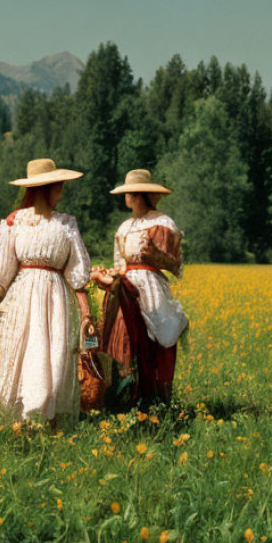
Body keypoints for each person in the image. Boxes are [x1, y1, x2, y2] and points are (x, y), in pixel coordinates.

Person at [0, 158, 93, 425]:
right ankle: (19, 420)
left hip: (54, 302)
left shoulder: (66, 224)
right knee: (18, 355)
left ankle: (44, 417)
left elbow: (77, 274)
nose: (62, 193)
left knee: (51, 356)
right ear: (45, 187)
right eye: (58, 187)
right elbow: (2, 273)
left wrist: (86, 315)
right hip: (21, 299)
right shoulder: (14, 222)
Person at [91, 169, 187, 408]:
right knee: (124, 335)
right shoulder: (124, 227)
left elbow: (174, 264)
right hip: (126, 286)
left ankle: (155, 398)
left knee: (155, 335)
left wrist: (156, 256)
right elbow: (120, 264)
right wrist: (107, 276)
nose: (126, 198)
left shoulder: (161, 222)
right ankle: (126, 396)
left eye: (129, 193)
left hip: (150, 287)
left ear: (136, 195)